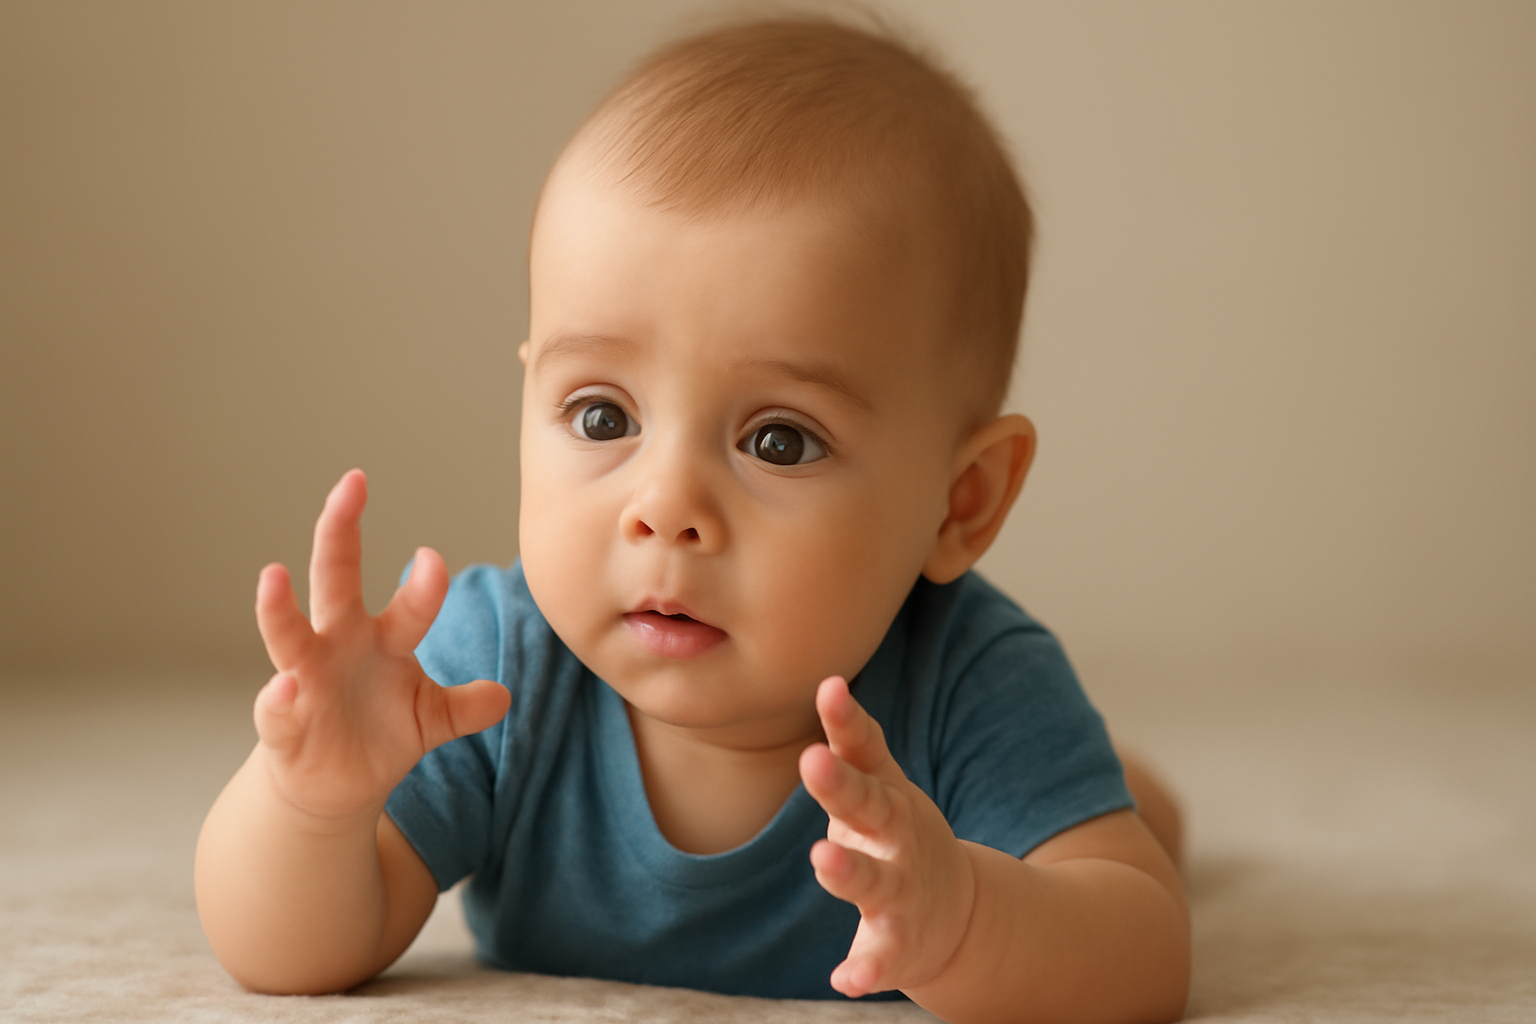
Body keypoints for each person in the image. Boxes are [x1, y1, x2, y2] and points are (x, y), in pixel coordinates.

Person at [195, 12, 1190, 1023]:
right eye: (602, 415)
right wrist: (311, 806)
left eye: (779, 440)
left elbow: (1144, 953)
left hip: (983, 807)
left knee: (1117, 832)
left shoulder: (969, 681)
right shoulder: (495, 670)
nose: (664, 507)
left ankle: (1117, 793)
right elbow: (291, 956)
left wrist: (974, 914)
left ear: (960, 501)